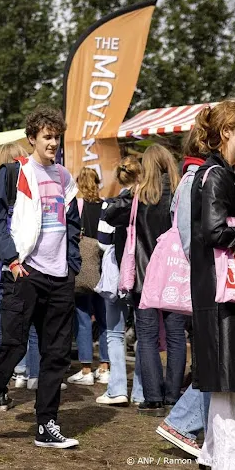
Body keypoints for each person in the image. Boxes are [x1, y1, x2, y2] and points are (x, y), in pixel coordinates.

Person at [0, 106, 80, 449]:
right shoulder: (16, 173)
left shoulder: (64, 176)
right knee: (11, 347)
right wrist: (13, 261)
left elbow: (72, 223)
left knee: (57, 354)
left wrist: (71, 263)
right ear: (32, 138)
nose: (53, 143)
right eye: (47, 136)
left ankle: (47, 424)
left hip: (60, 277)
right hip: (26, 273)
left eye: (56, 136)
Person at [189, 100, 235, 470]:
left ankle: (215, 458)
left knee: (231, 389)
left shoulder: (223, 174)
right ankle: (229, 463)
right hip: (224, 296)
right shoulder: (215, 176)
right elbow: (212, 231)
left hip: (223, 293)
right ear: (227, 131)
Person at [105, 145, 182, 417]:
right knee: (175, 336)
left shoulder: (140, 197)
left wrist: (130, 193)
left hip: (145, 275)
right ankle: (173, 395)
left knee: (147, 337)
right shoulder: (180, 193)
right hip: (174, 275)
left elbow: (108, 214)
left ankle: (153, 398)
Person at [154, 129, 211, 456]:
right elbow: (191, 241)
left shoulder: (192, 180)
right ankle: (183, 421)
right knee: (208, 357)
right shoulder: (194, 181)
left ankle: (186, 420)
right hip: (200, 285)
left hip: (194, 284)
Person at [95, 156, 145, 407]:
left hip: (117, 272)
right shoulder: (149, 202)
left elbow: (103, 242)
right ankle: (140, 390)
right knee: (144, 333)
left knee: (114, 332)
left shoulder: (111, 205)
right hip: (143, 272)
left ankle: (117, 388)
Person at [68, 168, 109, 386]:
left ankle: (86, 369)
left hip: (82, 270)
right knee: (103, 318)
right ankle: (104, 366)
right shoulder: (104, 206)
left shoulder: (77, 204)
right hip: (101, 269)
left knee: (83, 319)